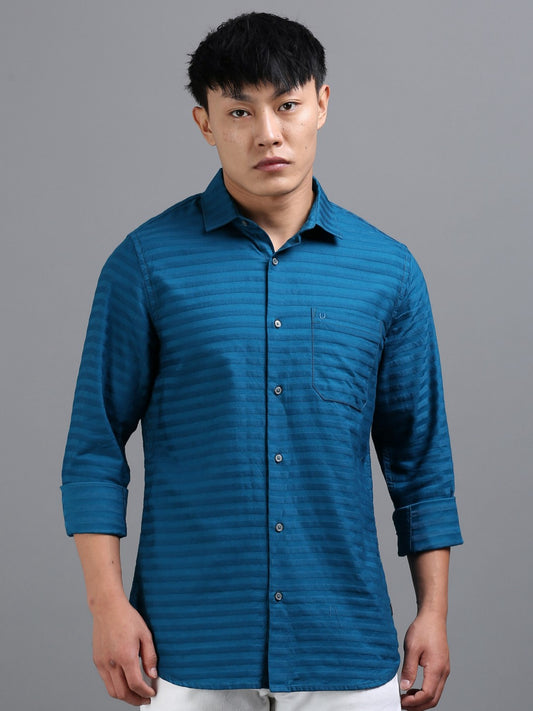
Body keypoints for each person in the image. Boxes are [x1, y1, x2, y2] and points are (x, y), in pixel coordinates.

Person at [61, 11, 463, 711]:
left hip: (345, 641)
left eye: (287, 105)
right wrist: (106, 607)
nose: (267, 133)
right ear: (205, 123)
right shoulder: (146, 263)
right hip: (185, 649)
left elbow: (419, 460)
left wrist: (434, 612)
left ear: (322, 104)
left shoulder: (388, 272)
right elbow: (94, 449)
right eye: (240, 111)